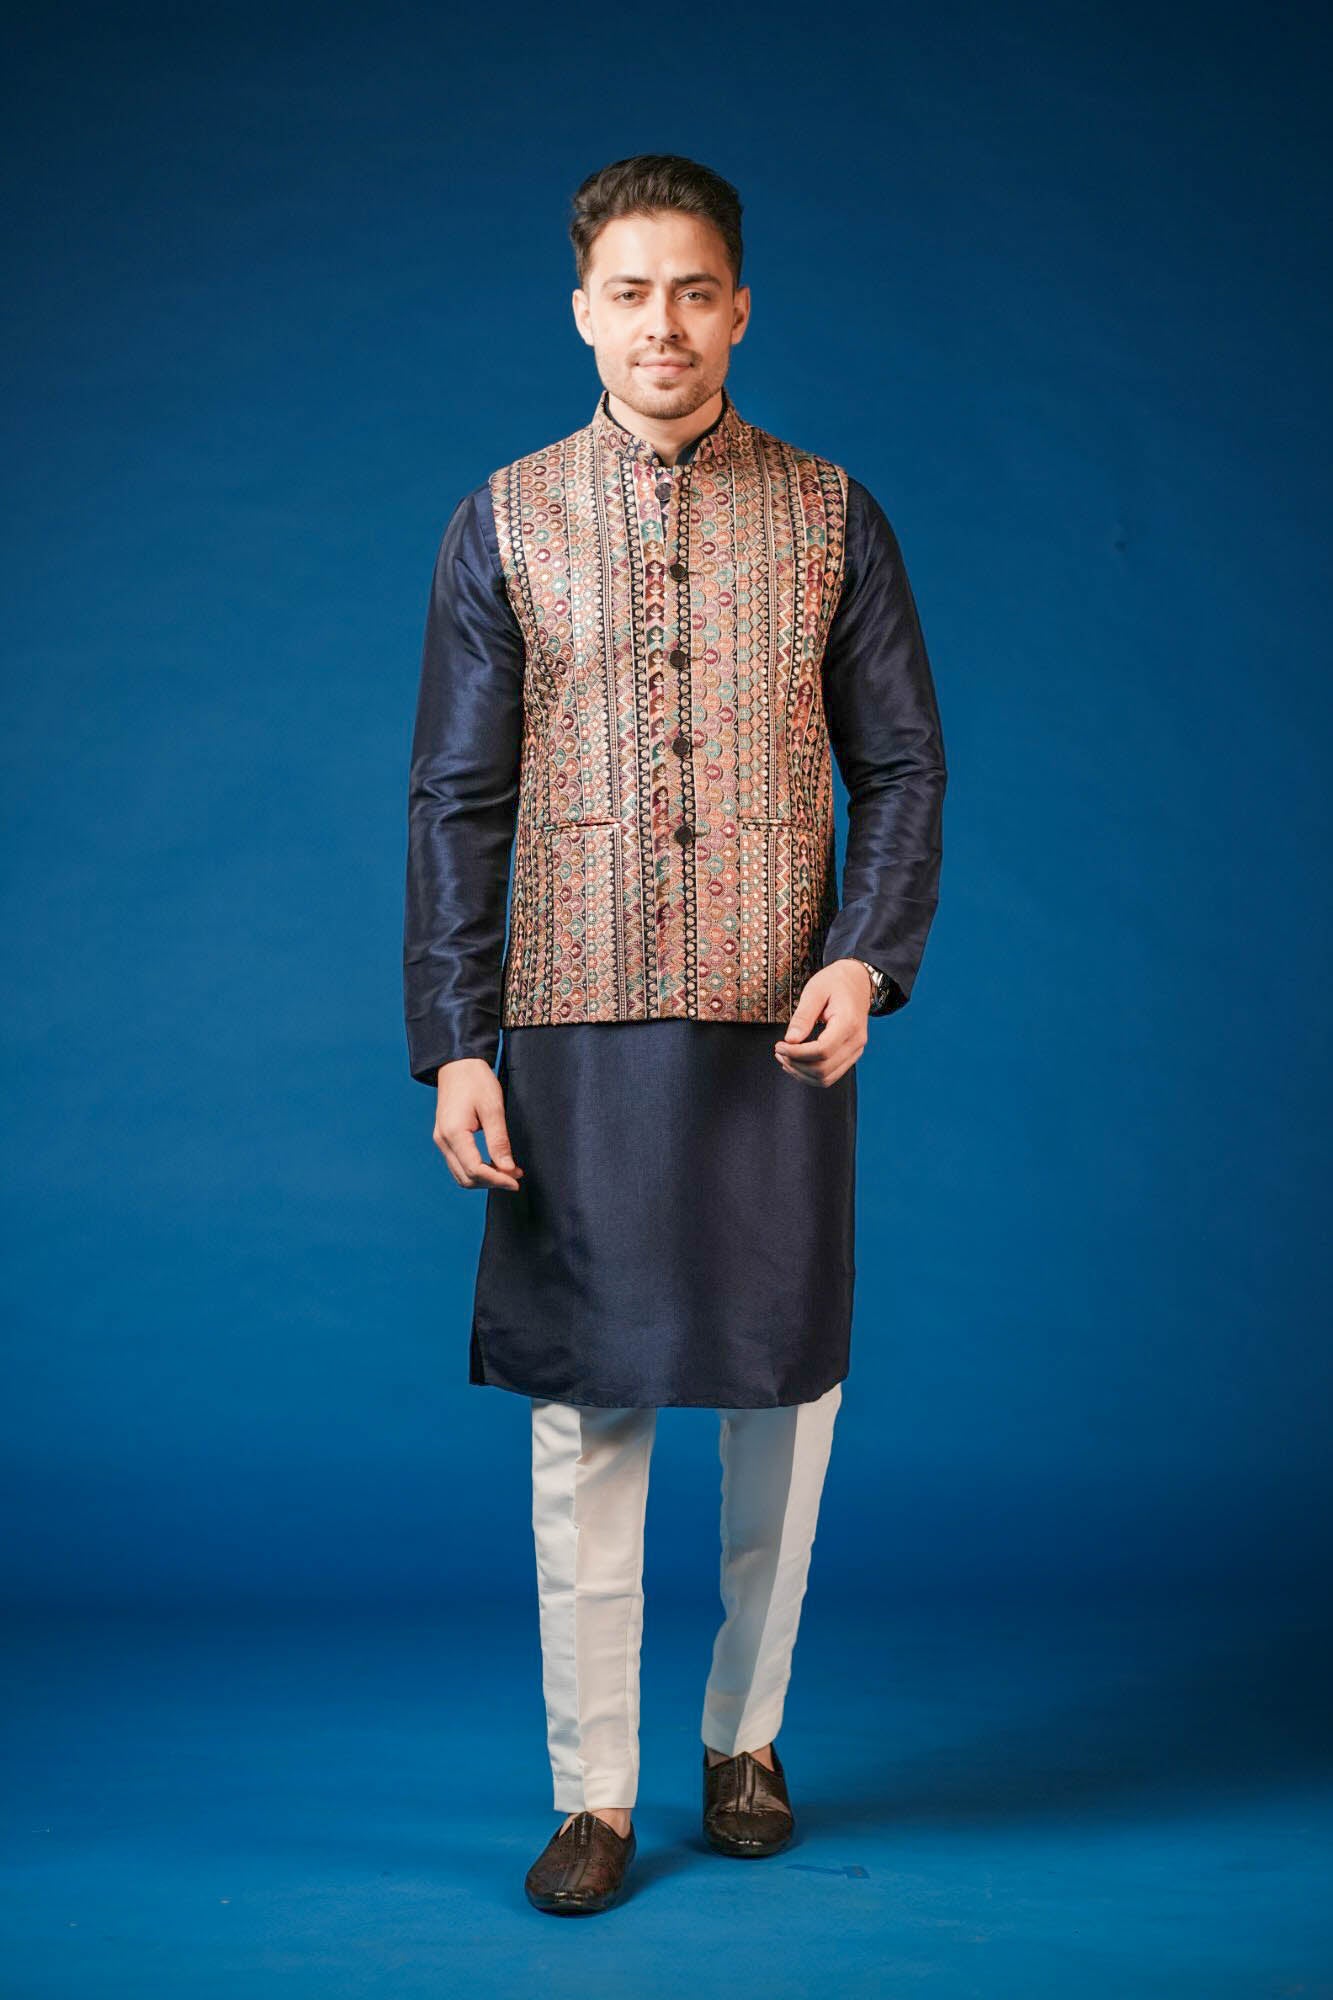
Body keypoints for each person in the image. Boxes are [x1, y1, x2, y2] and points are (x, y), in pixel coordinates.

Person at [403, 153, 947, 1916]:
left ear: (738, 308)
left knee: (786, 1394)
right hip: (567, 1023)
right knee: (590, 1405)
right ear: (582, 309)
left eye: (694, 290)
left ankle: (746, 1741)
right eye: (630, 292)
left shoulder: (830, 512)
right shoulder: (503, 519)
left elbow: (901, 765)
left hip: (781, 1019)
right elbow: (455, 798)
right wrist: (456, 1040)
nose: (663, 324)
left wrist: (864, 961)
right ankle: (593, 1791)